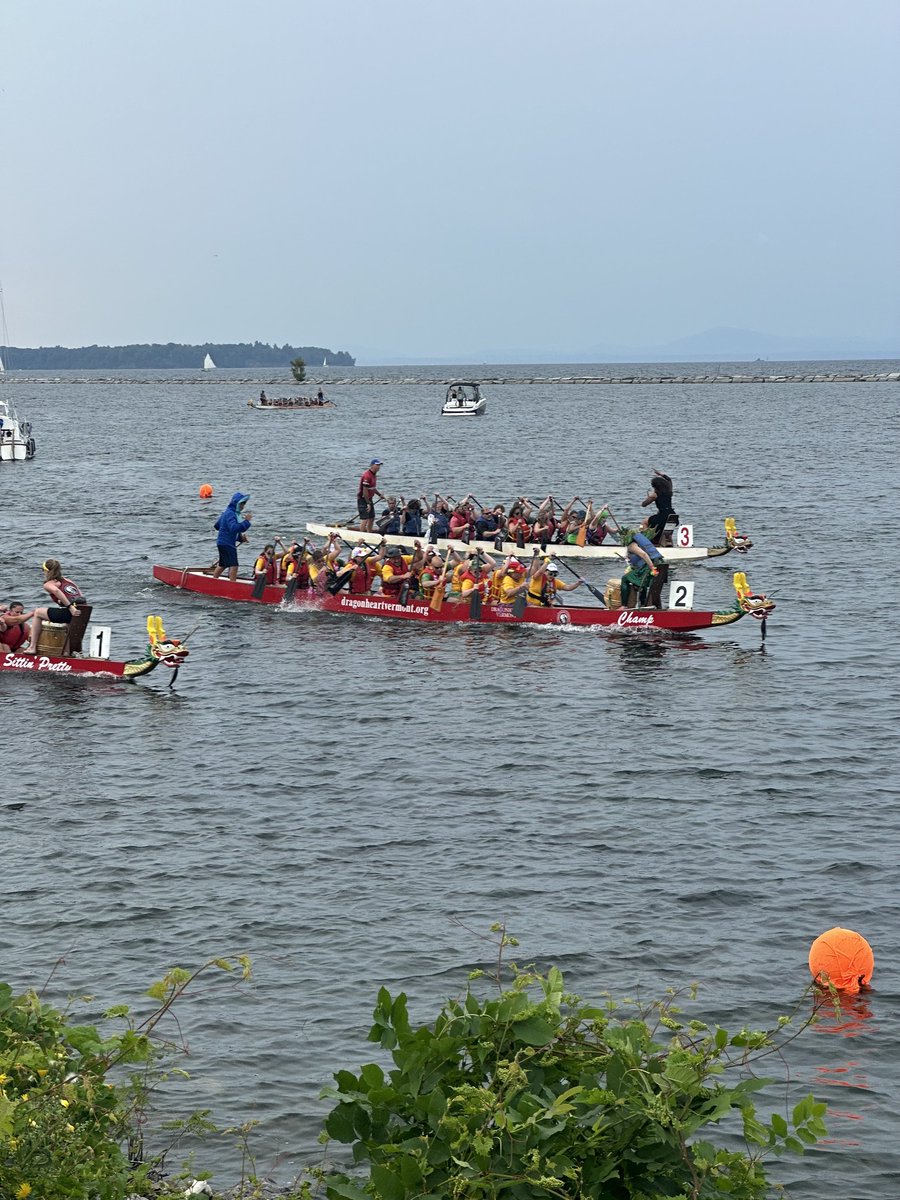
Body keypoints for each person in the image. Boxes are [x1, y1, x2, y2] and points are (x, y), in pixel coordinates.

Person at [20, 560, 86, 655]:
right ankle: (67, 653)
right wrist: (66, 604)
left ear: (47, 571)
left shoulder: (48, 584)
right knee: (66, 623)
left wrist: (70, 607)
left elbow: (57, 591)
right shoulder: (68, 581)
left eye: (43, 570)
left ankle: (32, 647)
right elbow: (80, 596)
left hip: (71, 612)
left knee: (38, 612)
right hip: (83, 612)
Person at [617, 527, 668, 609]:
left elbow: (644, 555)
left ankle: (624, 606)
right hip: (660, 563)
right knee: (640, 581)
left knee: (625, 579)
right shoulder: (641, 542)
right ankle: (643, 604)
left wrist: (652, 568)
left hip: (652, 566)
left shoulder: (631, 545)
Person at [212, 492, 253, 582]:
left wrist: (240, 538)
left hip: (221, 542)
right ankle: (233, 585)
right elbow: (233, 528)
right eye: (241, 504)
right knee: (234, 565)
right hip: (227, 544)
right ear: (236, 503)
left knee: (223, 564)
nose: (243, 506)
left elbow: (217, 526)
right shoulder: (231, 514)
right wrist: (246, 521)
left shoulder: (226, 512)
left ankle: (213, 581)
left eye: (244, 504)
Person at [641, 469, 677, 546]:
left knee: (644, 522)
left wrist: (649, 497)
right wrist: (662, 475)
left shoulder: (655, 494)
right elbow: (669, 480)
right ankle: (668, 544)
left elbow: (644, 504)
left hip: (663, 516)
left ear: (655, 486)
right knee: (667, 531)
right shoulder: (669, 491)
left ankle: (646, 543)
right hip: (672, 515)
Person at [357, 459, 384, 532]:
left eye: (379, 465)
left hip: (369, 499)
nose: (378, 467)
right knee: (364, 518)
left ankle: (369, 532)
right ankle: (361, 535)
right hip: (363, 499)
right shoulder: (367, 475)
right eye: (377, 465)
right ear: (372, 465)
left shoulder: (374, 475)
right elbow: (364, 491)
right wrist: (368, 503)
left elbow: (372, 488)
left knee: (372, 517)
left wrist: (379, 495)